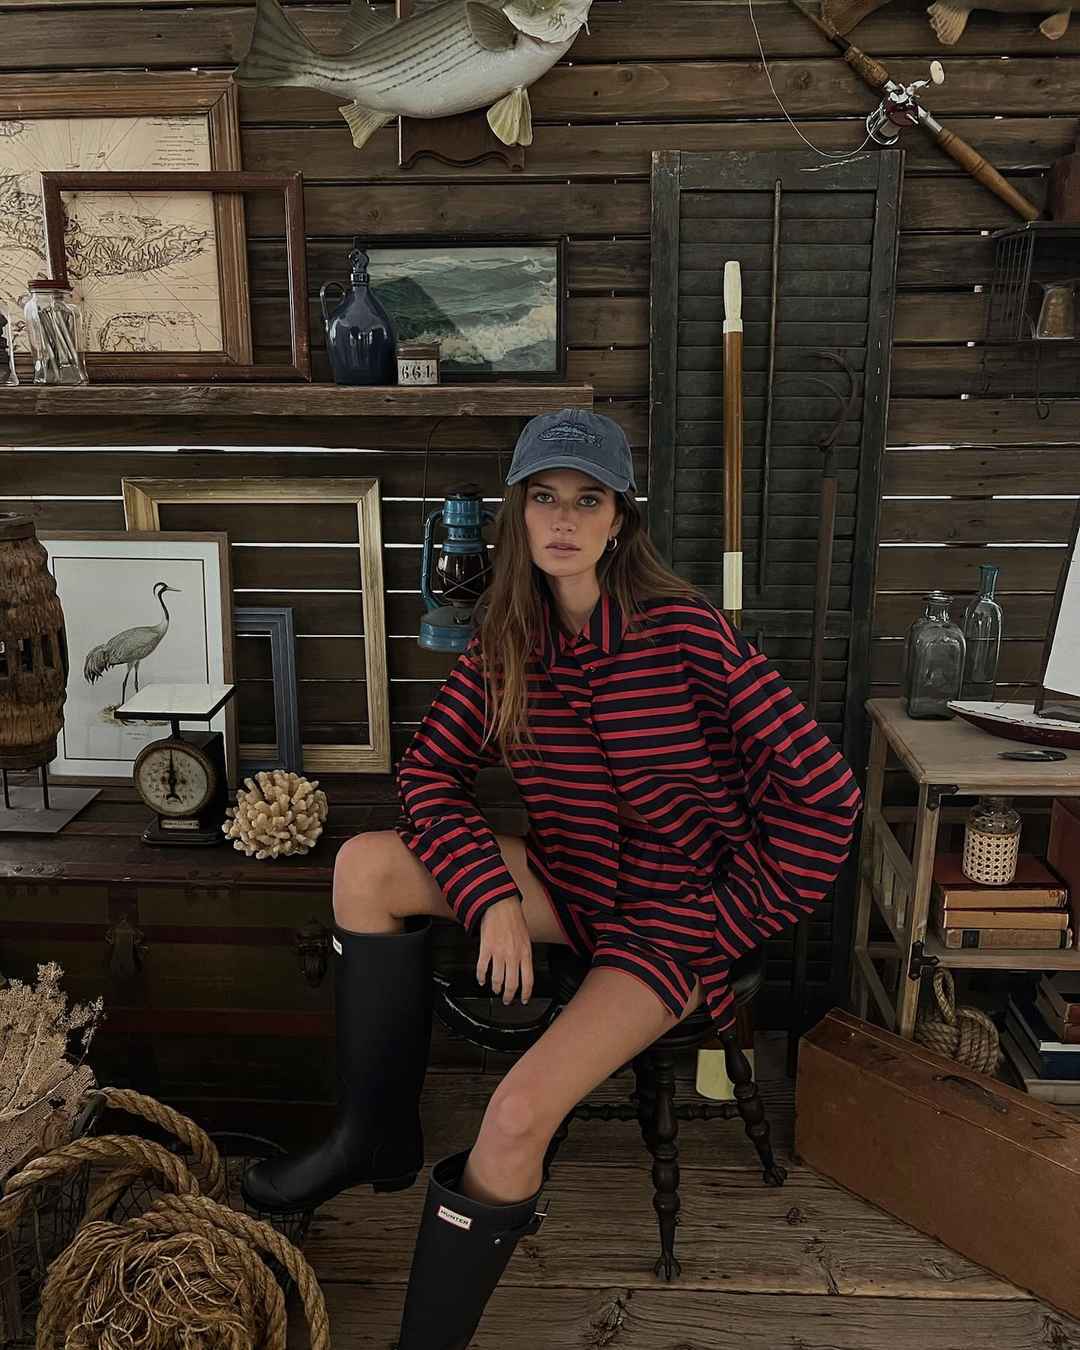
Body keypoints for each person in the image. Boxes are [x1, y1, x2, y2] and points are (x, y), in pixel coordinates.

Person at [241, 407, 862, 1348]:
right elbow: (427, 775)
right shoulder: (507, 641)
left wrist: (724, 922)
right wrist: (489, 894)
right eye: (544, 498)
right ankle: (374, 1136)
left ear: (620, 520)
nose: (564, 519)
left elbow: (828, 800)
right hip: (568, 881)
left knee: (516, 1115)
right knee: (366, 865)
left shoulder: (688, 632)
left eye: (587, 500)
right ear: (518, 514)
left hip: (669, 920)